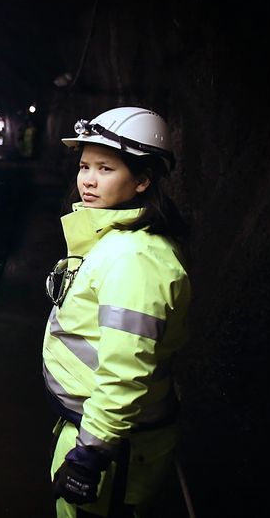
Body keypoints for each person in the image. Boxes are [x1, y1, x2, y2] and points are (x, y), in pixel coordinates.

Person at [43, 107, 191, 517]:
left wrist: (89, 456)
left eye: (106, 168)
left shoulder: (136, 259)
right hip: (97, 431)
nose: (88, 179)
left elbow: (125, 371)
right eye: (85, 165)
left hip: (115, 449)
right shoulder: (115, 240)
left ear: (143, 180)